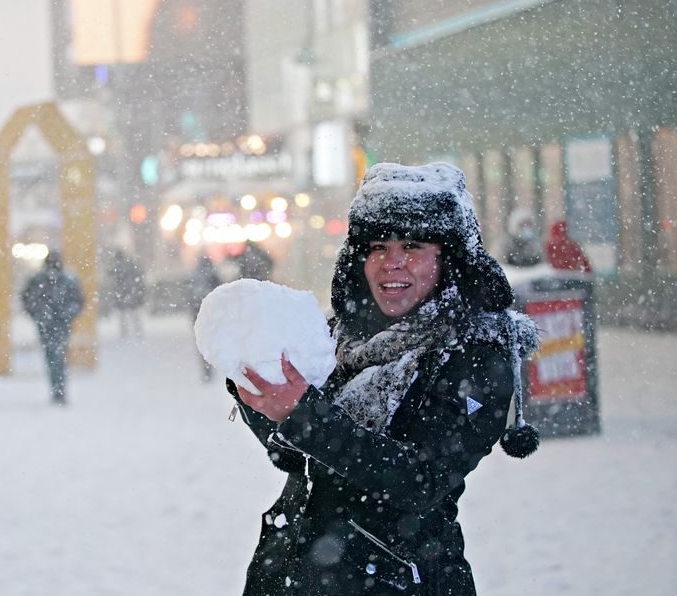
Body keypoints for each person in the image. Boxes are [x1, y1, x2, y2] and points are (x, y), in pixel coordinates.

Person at [227, 162, 540, 595]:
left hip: (396, 580)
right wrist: (257, 391)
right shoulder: (341, 339)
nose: (391, 263)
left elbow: (419, 480)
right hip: (297, 573)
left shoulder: (475, 355)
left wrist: (303, 414)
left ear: (448, 257)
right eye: (377, 246)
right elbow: (300, 459)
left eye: (412, 245)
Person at [21, 250, 84, 404]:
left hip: (53, 324)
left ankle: (58, 387)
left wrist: (40, 314)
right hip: (54, 324)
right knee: (56, 355)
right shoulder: (65, 280)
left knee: (54, 355)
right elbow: (78, 300)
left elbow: (27, 299)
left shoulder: (40, 280)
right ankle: (58, 387)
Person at [187, 254, 221, 382]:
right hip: (212, 317)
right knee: (214, 344)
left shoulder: (195, 277)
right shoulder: (213, 277)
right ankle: (216, 367)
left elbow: (190, 297)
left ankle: (207, 369)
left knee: (203, 346)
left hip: (199, 317)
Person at [111, 249, 146, 338]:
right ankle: (137, 330)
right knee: (133, 312)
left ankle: (125, 331)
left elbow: (112, 274)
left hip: (122, 292)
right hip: (131, 291)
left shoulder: (118, 266)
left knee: (123, 314)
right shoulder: (130, 264)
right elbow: (139, 274)